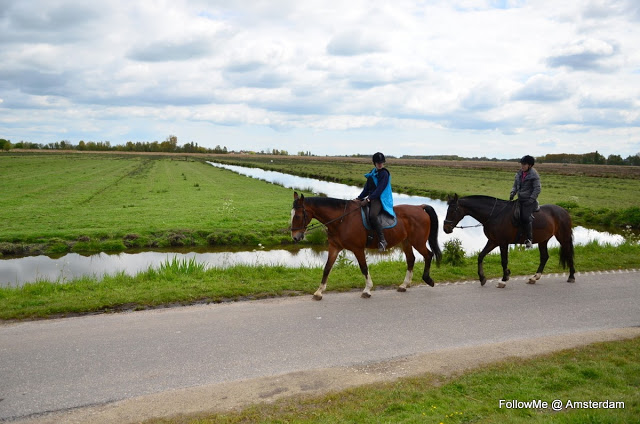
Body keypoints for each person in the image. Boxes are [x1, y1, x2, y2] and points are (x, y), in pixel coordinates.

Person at [357, 152, 395, 251]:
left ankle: (382, 240)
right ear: (374, 163)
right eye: (378, 163)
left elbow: (379, 190)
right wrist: (358, 198)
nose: (380, 164)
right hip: (372, 197)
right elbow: (366, 189)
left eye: (381, 162)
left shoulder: (384, 174)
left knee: (372, 215)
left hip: (380, 198)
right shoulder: (372, 173)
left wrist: (368, 199)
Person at [509, 155, 541, 249]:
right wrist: (512, 193)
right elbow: (515, 185)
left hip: (529, 201)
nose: (522, 166)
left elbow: (537, 189)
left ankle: (529, 239)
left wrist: (531, 199)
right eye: (521, 164)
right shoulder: (519, 173)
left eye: (524, 164)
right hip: (520, 199)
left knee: (525, 217)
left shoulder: (534, 175)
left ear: (530, 165)